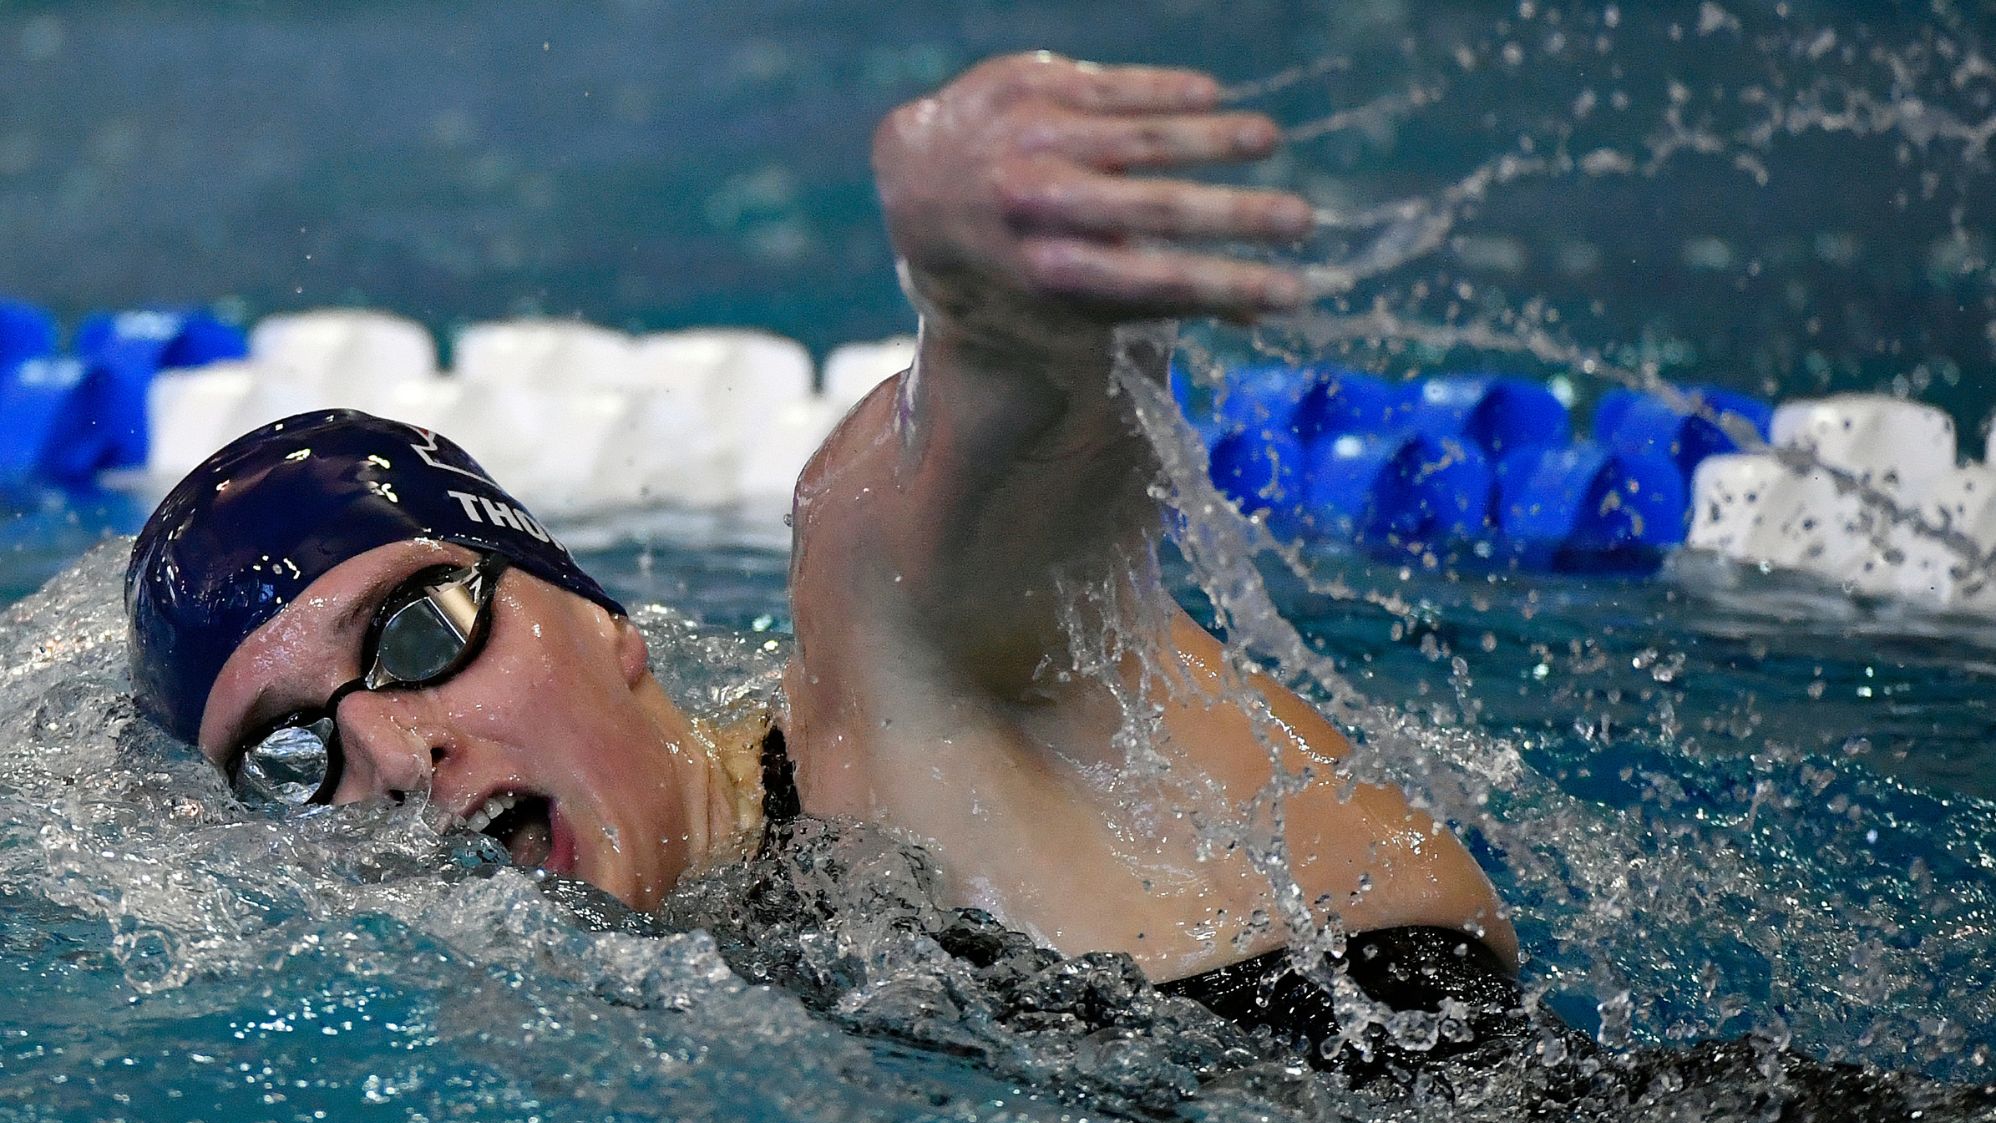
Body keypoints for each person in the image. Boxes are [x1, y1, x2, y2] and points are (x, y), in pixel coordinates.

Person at [125, 53, 1517, 1068]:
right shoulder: (684, 976)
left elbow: (1005, 461)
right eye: (290, 757)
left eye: (420, 631)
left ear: (605, 623)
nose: (385, 751)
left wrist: (989, 290)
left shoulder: (897, 676)